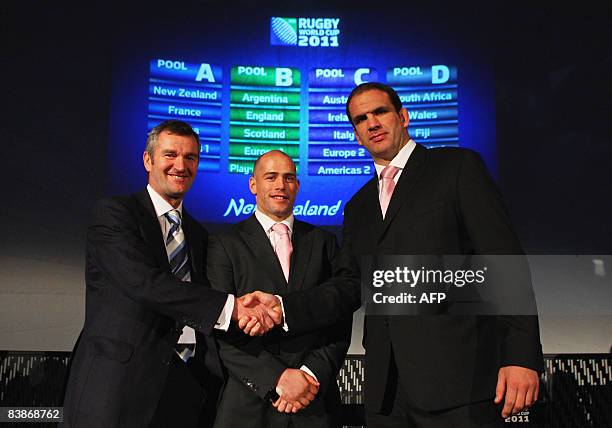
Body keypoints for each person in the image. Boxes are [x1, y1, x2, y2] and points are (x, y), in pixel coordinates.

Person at [242, 83, 544, 427]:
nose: (371, 123)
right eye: (360, 119)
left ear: (403, 116)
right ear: (356, 135)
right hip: (387, 392)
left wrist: (520, 356)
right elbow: (350, 285)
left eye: (380, 112)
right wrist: (283, 307)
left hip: (460, 381)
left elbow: (503, 261)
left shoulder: (457, 168)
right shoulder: (359, 206)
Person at [61, 120, 279, 427]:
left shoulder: (200, 235)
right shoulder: (114, 214)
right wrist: (232, 307)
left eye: (190, 157)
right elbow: (143, 283)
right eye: (170, 155)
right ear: (148, 160)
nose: (181, 165)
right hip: (117, 386)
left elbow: (203, 302)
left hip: (185, 388)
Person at [208, 150, 352, 428]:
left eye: (288, 178)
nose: (280, 186)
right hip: (249, 406)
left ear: (297, 186)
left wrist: (310, 374)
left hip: (314, 404)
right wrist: (277, 379)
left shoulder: (324, 242)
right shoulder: (224, 244)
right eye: (271, 177)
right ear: (253, 185)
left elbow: (340, 316)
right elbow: (219, 327)